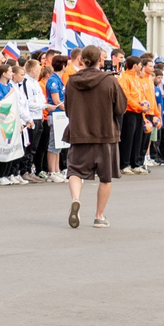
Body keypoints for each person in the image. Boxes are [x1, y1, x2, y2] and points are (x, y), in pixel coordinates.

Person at [59, 45, 120, 227]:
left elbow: (68, 108)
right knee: (105, 177)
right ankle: (99, 216)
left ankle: (76, 199)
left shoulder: (71, 81)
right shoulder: (109, 81)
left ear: (81, 60)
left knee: (75, 171)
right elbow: (120, 108)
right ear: (100, 60)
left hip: (79, 132)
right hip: (105, 134)